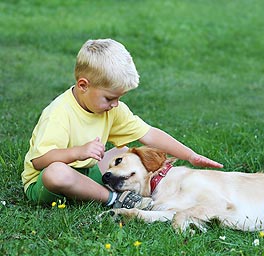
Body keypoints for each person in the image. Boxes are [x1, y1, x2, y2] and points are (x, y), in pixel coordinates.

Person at [21, 38, 223, 209]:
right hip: (47, 181)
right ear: (83, 85)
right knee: (57, 172)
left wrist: (190, 155)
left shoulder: (112, 109)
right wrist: (78, 152)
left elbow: (149, 134)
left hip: (84, 169)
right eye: (109, 98)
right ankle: (114, 199)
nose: (115, 104)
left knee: (123, 154)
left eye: (118, 98)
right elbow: (39, 161)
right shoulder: (58, 113)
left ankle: (138, 189)